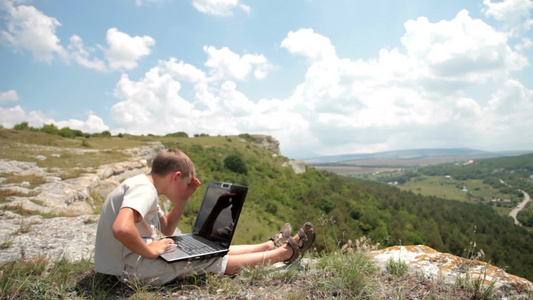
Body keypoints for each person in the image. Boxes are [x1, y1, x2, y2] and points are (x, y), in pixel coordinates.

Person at [94, 148, 315, 285]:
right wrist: (151, 250)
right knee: (209, 259)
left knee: (209, 246)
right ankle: (284, 253)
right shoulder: (144, 190)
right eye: (186, 183)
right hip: (132, 269)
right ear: (176, 176)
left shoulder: (143, 185)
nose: (187, 187)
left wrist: (182, 199)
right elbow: (122, 228)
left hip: (130, 261)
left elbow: (167, 228)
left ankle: (267, 246)